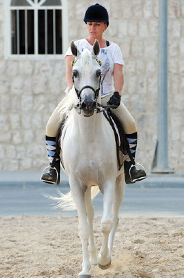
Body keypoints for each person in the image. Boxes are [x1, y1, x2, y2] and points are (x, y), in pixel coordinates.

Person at [41, 3, 146, 185]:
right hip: (77, 95)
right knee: (52, 125)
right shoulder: (77, 45)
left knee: (130, 123)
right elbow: (69, 72)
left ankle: (130, 165)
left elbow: (118, 74)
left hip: (105, 95)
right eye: (89, 24)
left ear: (105, 26)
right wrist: (73, 93)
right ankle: (53, 166)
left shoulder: (113, 49)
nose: (92, 28)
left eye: (97, 24)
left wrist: (117, 94)